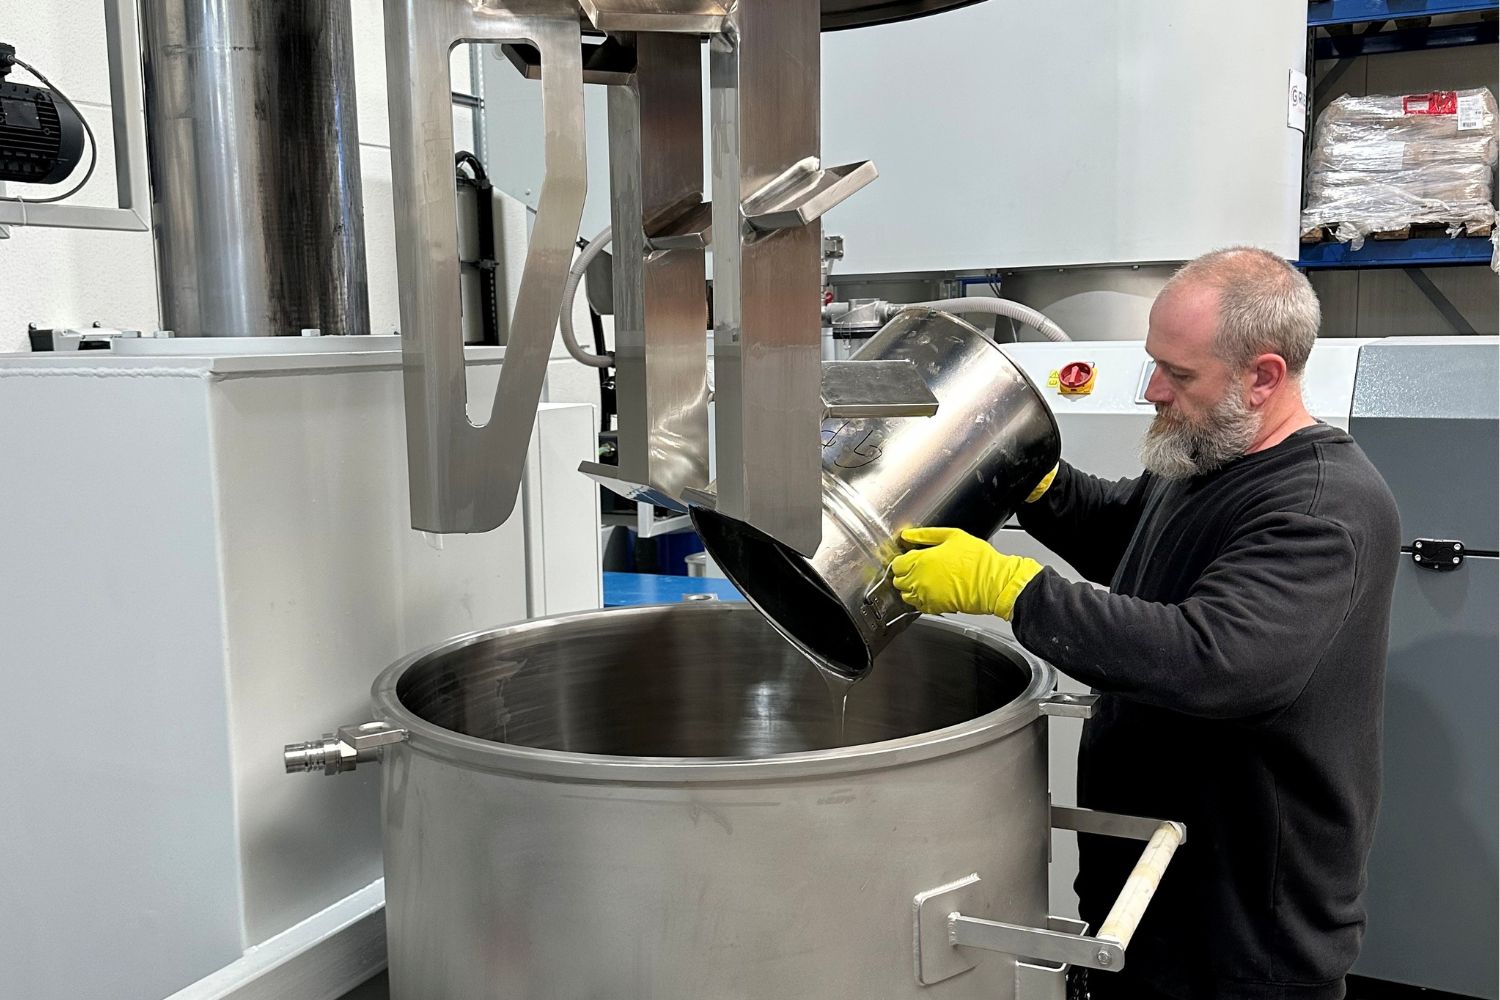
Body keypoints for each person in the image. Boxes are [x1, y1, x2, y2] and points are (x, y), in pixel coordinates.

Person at [890, 247, 1400, 1000]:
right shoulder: (1210, 459)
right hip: (1153, 889)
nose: (1153, 391)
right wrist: (1037, 482)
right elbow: (1130, 533)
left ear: (1263, 377)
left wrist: (1012, 589)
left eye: (1180, 375)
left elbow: (1214, 659)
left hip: (1242, 937)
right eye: (1153, 362)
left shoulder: (1324, 508)